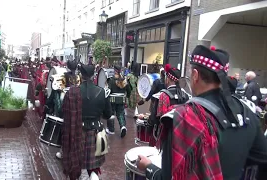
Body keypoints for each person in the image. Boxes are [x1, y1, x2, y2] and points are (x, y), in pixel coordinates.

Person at [137, 45, 267, 180]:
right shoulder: (247, 113)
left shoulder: (183, 118)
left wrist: (149, 167)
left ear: (195, 75)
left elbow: (168, 177)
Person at [61, 64, 112, 180]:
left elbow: (62, 112)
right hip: (96, 134)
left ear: (81, 76)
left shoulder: (72, 92)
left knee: (75, 165)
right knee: (93, 169)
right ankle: (93, 176)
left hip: (76, 133)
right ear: (94, 75)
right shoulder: (102, 92)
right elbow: (108, 114)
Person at [149, 64, 190, 147]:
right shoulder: (185, 95)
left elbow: (157, 118)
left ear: (167, 79)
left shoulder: (163, 95)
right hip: (182, 134)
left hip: (166, 135)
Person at [55, 60, 81, 159]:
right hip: (78, 102)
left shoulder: (64, 76)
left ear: (68, 67)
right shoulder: (78, 76)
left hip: (67, 100)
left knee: (65, 128)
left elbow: (60, 87)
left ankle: (62, 151)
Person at [106, 65, 131, 137]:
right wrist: (127, 96)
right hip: (121, 100)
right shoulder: (124, 80)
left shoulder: (111, 80)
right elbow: (129, 90)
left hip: (112, 100)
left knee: (111, 114)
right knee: (120, 114)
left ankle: (111, 129)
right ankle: (123, 126)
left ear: (114, 70)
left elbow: (108, 90)